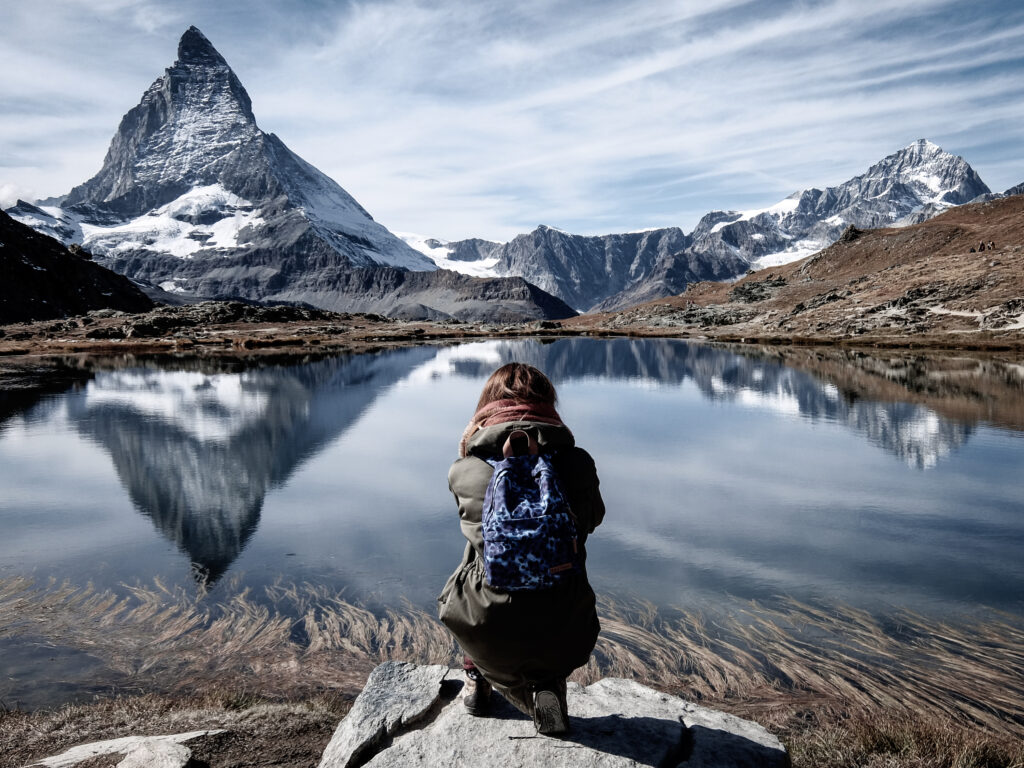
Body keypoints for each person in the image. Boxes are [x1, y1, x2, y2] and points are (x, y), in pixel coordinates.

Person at [438, 362, 605, 734]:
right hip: (567, 630)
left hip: (487, 629)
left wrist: (466, 446)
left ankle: (477, 681)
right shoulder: (577, 463)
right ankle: (547, 686)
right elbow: (593, 519)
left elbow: (474, 526)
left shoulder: (466, 469)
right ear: (548, 404)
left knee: (475, 561)